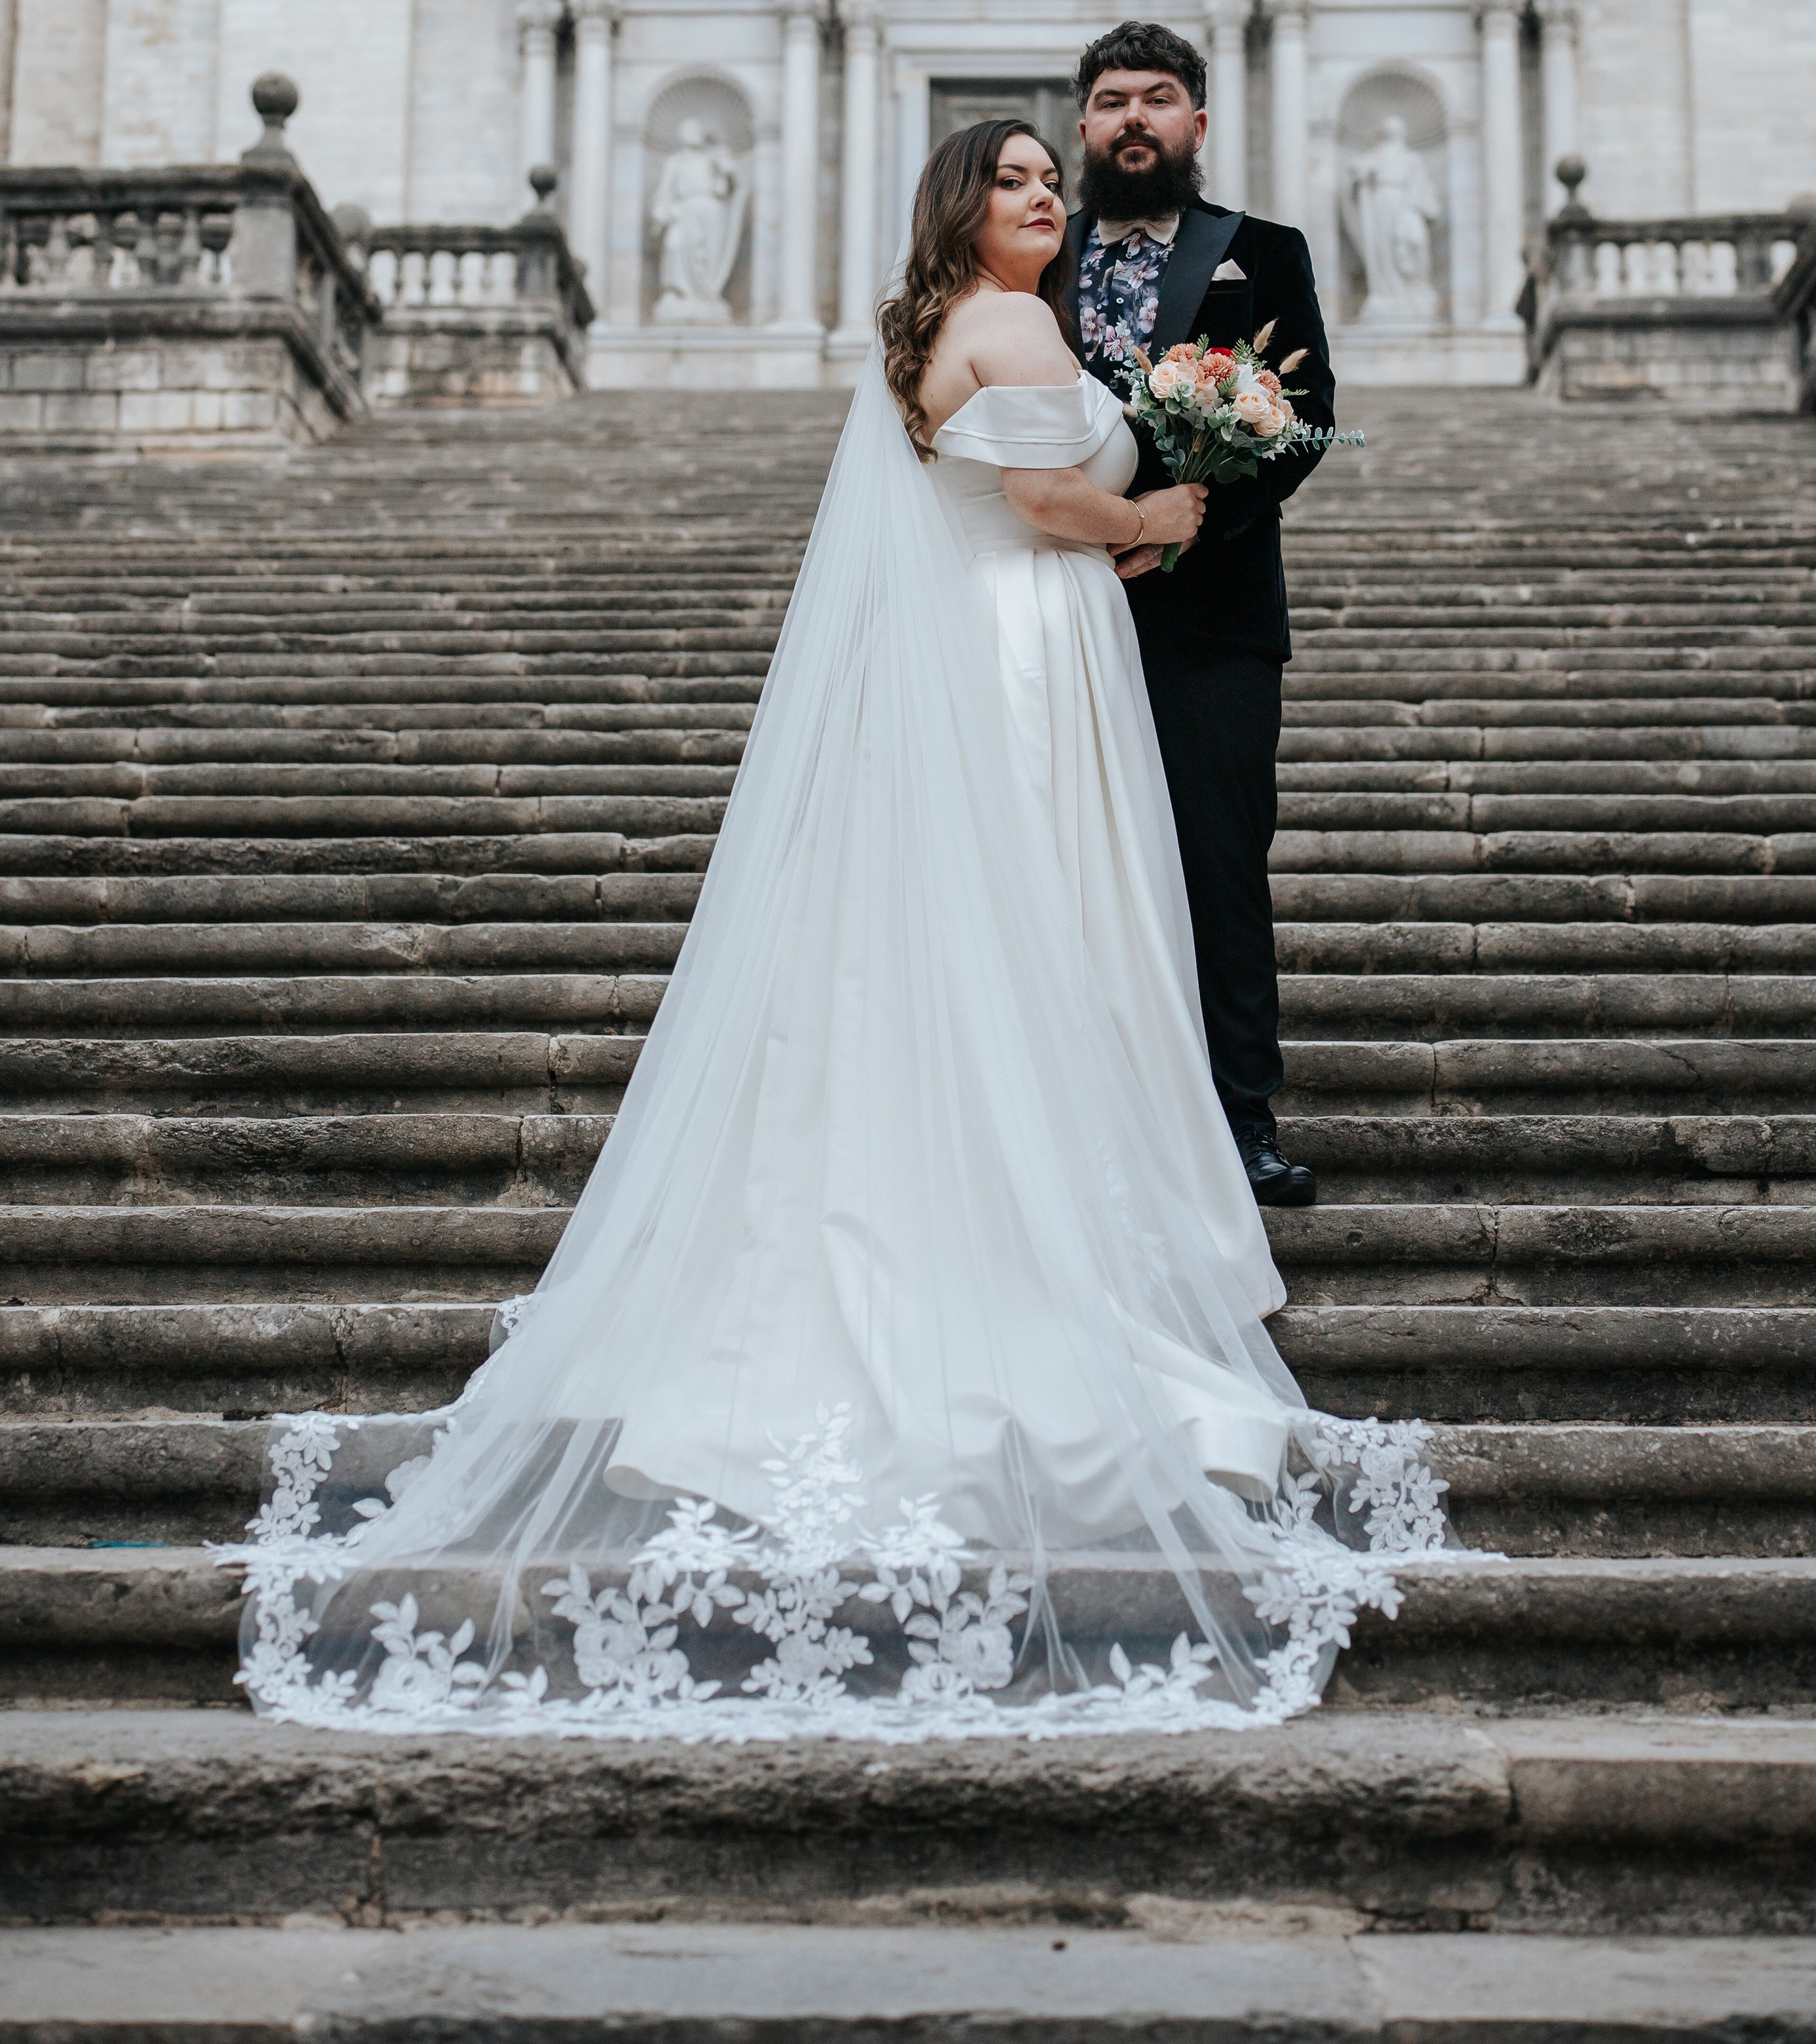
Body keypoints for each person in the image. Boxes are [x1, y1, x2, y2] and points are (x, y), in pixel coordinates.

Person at [225, 121, 1445, 1744]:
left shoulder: (937, 327)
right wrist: (1155, 520)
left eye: (1044, 181)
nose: (1044, 198)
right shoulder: (1010, 325)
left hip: (973, 644)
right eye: (1015, 178)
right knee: (1045, 944)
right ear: (963, 204)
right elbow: (1034, 494)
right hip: (1022, 648)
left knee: (960, 968)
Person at [1066, 22, 1333, 1210]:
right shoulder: (1028, 255)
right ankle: (1080, 1117)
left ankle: (1241, 1118)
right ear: (1082, 125)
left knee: (1219, 862)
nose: (1134, 118)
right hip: (1054, 604)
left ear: (1198, 124)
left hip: (1215, 614)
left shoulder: (1261, 252)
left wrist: (1184, 523)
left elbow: (1306, 411)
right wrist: (1094, 531)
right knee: (1059, 862)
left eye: (1157, 98)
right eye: (1112, 100)